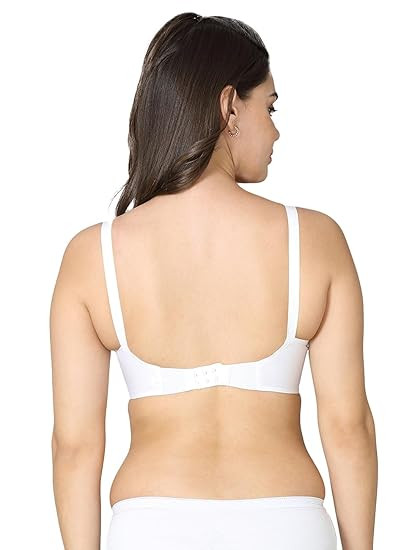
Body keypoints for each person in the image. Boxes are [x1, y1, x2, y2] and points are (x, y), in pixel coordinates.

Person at [50, 12, 377, 550]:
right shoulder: (316, 240)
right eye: (269, 107)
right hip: (287, 524)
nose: (276, 130)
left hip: (151, 527)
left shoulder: (93, 255)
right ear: (230, 107)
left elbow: (75, 447)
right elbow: (348, 427)